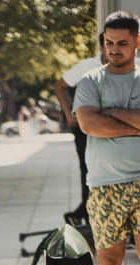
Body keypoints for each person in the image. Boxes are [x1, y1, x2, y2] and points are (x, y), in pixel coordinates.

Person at [73, 10, 140, 265]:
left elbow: (102, 119)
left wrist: (111, 112)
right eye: (109, 43)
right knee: (108, 264)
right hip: (105, 187)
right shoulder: (91, 82)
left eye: (122, 43)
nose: (114, 49)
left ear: (137, 42)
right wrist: (135, 124)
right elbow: (89, 124)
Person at [54, 33, 110, 226]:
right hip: (86, 127)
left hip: (115, 127)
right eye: (109, 44)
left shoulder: (134, 65)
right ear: (101, 47)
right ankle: (85, 214)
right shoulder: (87, 66)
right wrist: (68, 114)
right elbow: (59, 86)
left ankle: (84, 213)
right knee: (89, 170)